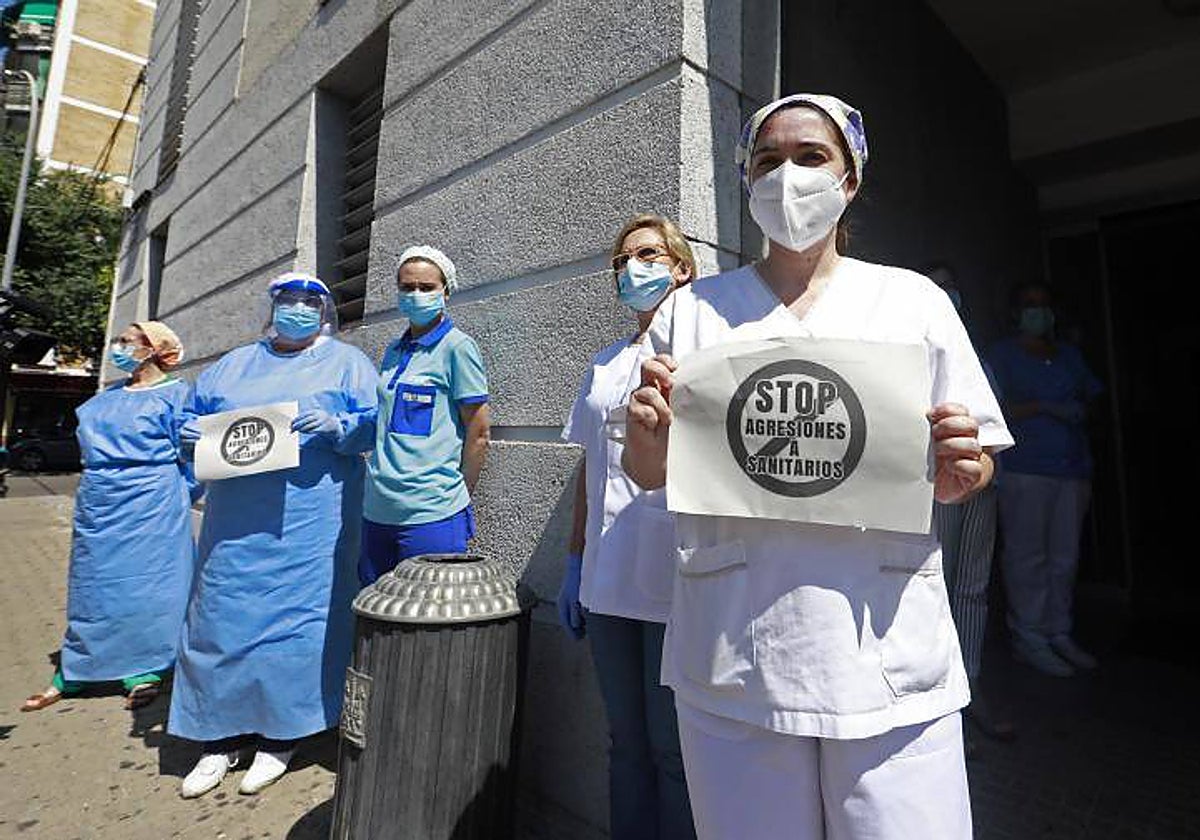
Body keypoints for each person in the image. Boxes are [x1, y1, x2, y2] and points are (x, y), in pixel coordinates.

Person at [622, 94, 1012, 839]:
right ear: (745, 181)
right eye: (767, 161)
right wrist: (648, 430)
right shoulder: (692, 311)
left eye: (811, 157)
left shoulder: (913, 301)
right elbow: (648, 470)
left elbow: (974, 460)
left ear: (851, 178)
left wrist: (967, 470)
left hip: (883, 652)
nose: (787, 177)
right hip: (735, 652)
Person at [170, 273, 378, 798]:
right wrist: (187, 434)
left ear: (326, 311)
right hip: (234, 525)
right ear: (272, 306)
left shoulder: (347, 364)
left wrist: (337, 426)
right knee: (219, 619)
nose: (299, 310)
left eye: (311, 301)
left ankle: (281, 737)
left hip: (309, 523)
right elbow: (192, 424)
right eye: (289, 300)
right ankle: (217, 737)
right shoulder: (234, 365)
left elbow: (374, 426)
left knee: (296, 627)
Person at [557, 214, 697, 840]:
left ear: (681, 268)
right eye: (622, 260)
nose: (632, 268)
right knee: (626, 742)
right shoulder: (605, 363)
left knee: (674, 750)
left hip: (677, 579)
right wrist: (573, 561)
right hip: (607, 579)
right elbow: (591, 469)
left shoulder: (705, 356)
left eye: (646, 254)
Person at [21, 322, 196, 713]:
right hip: (100, 502)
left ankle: (146, 667)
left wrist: (178, 495)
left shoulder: (178, 395)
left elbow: (194, 457)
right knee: (92, 584)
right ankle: (78, 667)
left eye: (128, 341)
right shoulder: (108, 396)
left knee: (151, 587)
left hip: (152, 504)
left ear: (153, 348)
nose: (118, 346)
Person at [987, 282, 1102, 678]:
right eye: (1029, 304)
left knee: (1064, 557)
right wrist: (1042, 407)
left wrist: (1076, 410)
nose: (1038, 311)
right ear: (1016, 312)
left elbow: (1091, 396)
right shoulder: (1002, 356)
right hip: (1025, 469)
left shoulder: (1068, 355)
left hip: (1071, 469)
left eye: (1044, 304)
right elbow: (992, 410)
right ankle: (1029, 637)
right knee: (1027, 557)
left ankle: (1059, 632)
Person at [360, 246, 490, 585]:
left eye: (426, 287)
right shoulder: (393, 351)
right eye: (407, 287)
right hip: (378, 510)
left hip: (432, 514)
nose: (415, 295)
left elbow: (478, 432)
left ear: (445, 291)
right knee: (377, 621)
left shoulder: (458, 348)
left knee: (426, 627)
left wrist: (458, 494)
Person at [925, 263, 1015, 745]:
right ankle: (944, 689)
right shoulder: (915, 342)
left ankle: (971, 681)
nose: (946, 292)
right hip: (938, 486)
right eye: (937, 283)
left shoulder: (976, 353)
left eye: (950, 284)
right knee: (940, 575)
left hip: (983, 484)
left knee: (973, 586)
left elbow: (996, 430)